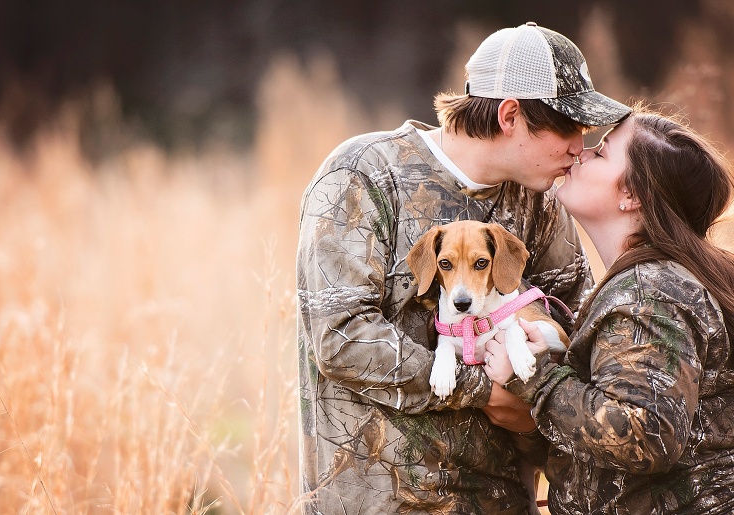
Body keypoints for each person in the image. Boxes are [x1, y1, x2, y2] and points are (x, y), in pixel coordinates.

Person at [296, 22, 630, 514]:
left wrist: (542, 399)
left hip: (502, 502)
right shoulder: (364, 174)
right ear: (511, 115)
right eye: (568, 126)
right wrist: (486, 390)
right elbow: (339, 337)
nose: (579, 147)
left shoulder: (540, 203)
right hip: (374, 503)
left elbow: (579, 334)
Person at [484, 106, 734, 513]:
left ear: (631, 195)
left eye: (601, 152)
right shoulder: (651, 283)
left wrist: (536, 377)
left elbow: (646, 436)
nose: (580, 152)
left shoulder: (651, 294)